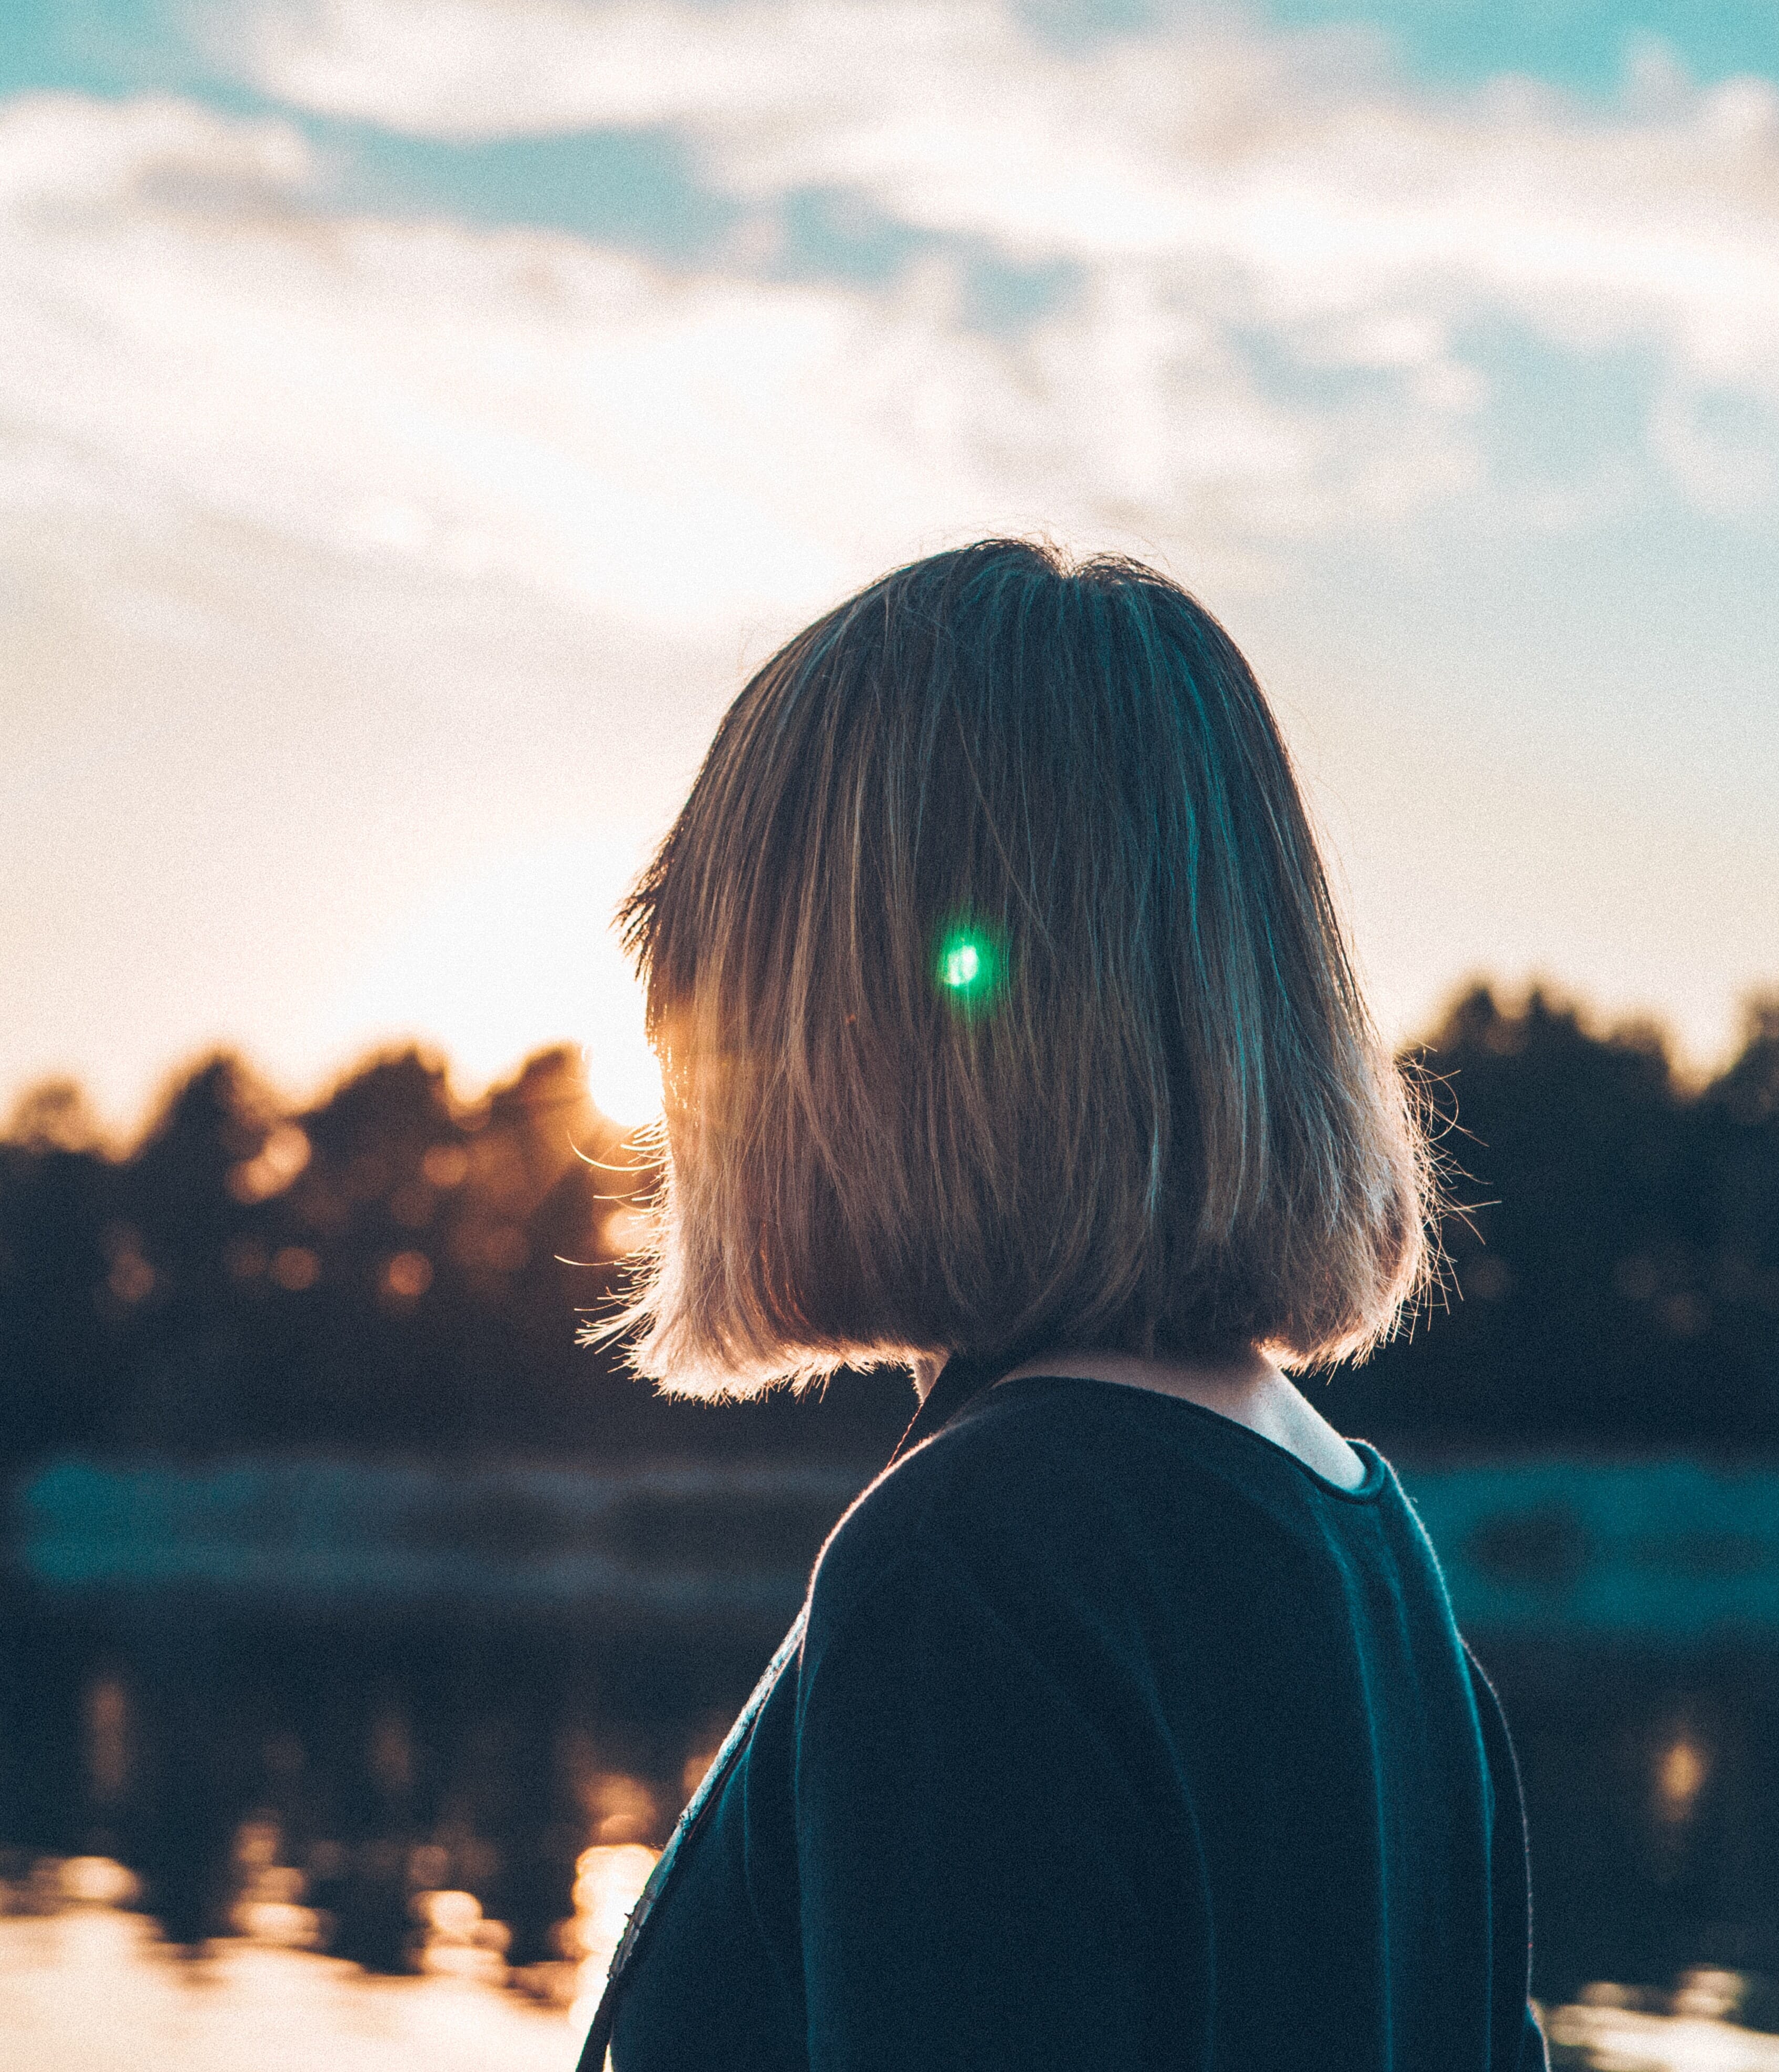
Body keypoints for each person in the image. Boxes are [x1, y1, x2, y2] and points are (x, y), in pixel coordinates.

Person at [578, 539, 1548, 2071]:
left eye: (718, 979)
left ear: (865, 1026)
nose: (669, 1037)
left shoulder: (974, 1567)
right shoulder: (1371, 1552)